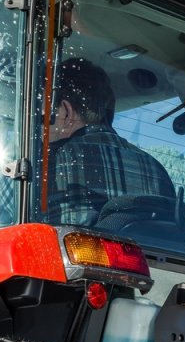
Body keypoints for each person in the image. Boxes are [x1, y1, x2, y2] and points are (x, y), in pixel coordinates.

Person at [45, 57, 175, 225]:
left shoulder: (46, 165)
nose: (41, 129)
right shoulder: (157, 171)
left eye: (44, 116)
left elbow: (1, 227)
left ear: (66, 112)